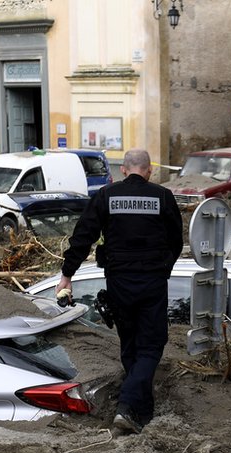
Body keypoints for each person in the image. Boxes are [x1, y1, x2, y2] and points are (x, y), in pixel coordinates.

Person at [56, 149, 183, 433]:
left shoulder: (106, 196)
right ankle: (127, 407)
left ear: (123, 170)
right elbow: (176, 241)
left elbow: (83, 236)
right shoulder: (162, 196)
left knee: (130, 344)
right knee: (151, 346)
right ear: (149, 170)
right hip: (152, 283)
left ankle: (142, 411)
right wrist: (163, 270)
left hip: (119, 282)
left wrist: (67, 274)